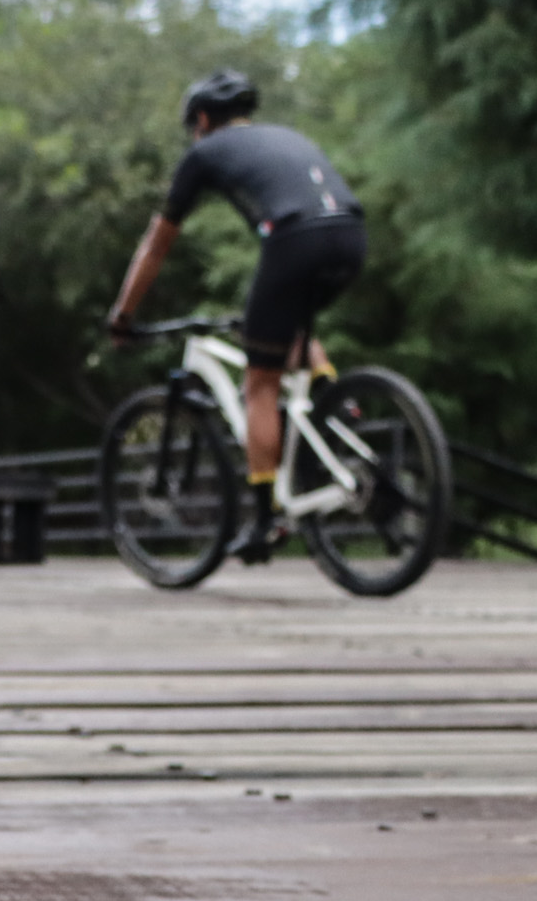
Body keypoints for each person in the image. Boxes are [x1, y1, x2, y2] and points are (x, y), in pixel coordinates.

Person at [104, 70, 364, 563]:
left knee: (259, 383)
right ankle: (337, 408)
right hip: (350, 234)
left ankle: (265, 521)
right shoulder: (289, 135)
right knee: (284, 325)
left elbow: (156, 245)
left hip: (294, 242)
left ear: (201, 119)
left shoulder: (203, 153)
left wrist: (123, 314)